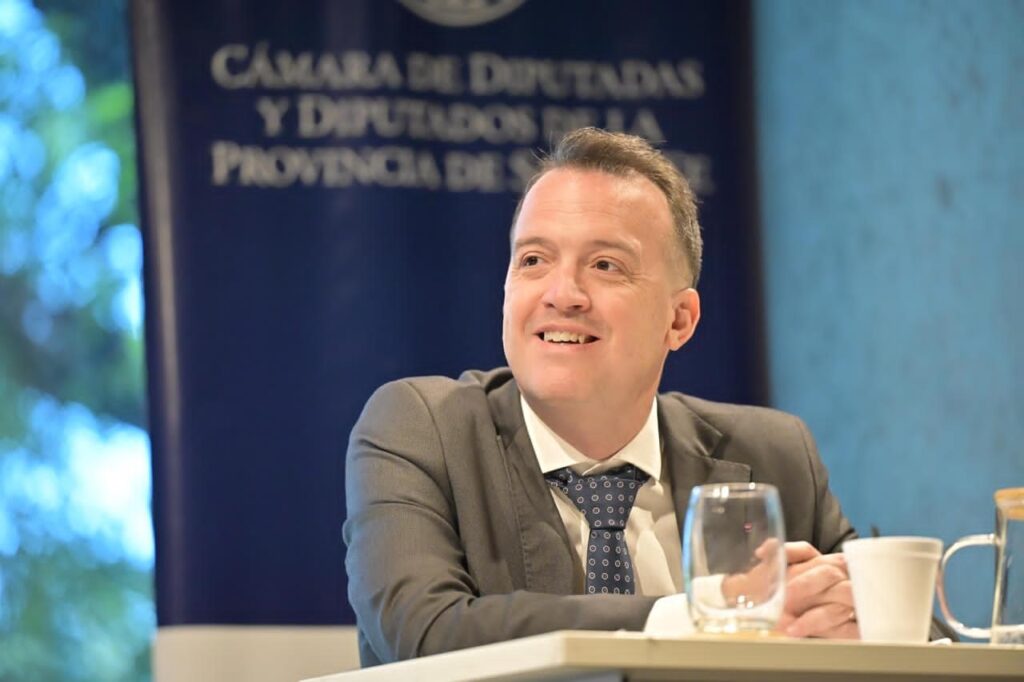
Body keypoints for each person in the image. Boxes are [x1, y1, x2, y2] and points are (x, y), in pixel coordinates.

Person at [344, 128, 858, 667]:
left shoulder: (774, 455)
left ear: (679, 320)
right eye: (534, 260)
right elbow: (425, 630)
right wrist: (713, 612)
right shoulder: (421, 430)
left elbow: (888, 620)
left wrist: (849, 614)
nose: (562, 294)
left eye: (605, 265)